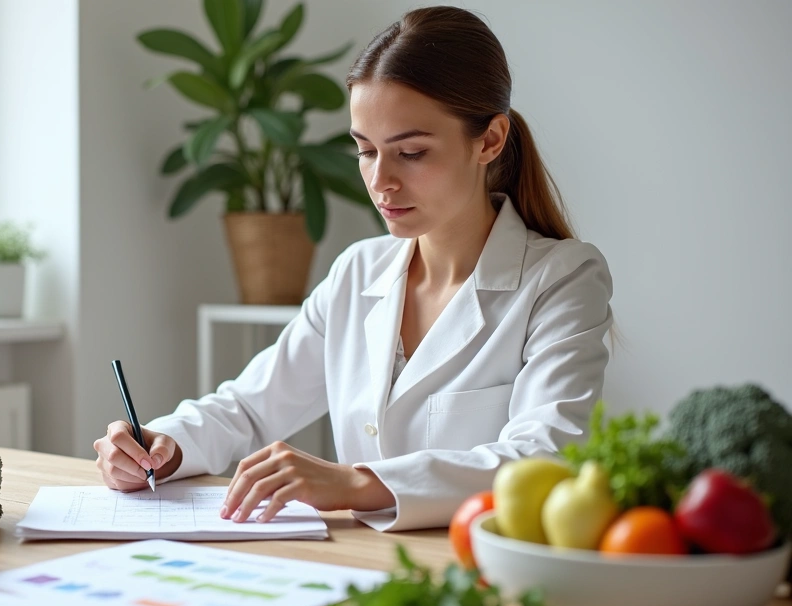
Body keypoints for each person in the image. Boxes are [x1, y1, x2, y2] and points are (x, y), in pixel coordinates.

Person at [94, 5, 613, 532]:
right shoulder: (358, 272)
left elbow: (544, 456)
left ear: (490, 140)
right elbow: (251, 407)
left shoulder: (562, 278)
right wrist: (162, 447)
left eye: (411, 152)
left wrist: (355, 483)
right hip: (362, 558)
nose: (381, 181)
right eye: (365, 151)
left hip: (474, 561)